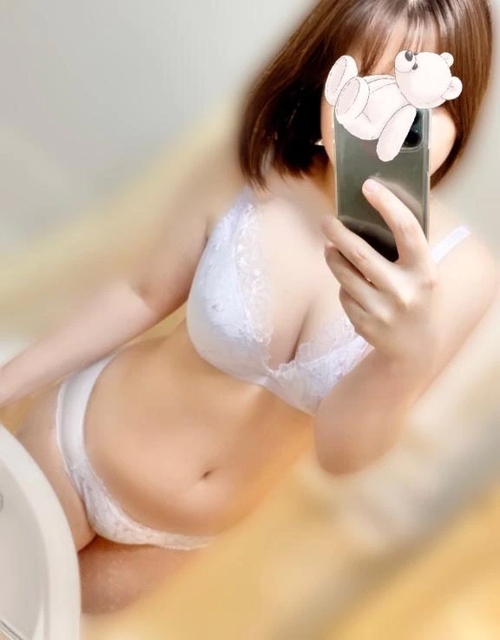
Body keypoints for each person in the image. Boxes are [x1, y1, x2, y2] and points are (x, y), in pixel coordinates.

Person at [0, 0, 497, 616]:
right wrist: (5, 384)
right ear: (326, 82)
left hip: (181, 539)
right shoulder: (253, 167)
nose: (385, 117)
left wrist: (406, 357)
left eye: (420, 100)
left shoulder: (464, 275)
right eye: (370, 84)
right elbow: (140, 293)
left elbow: (340, 457)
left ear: (457, 109)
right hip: (79, 449)